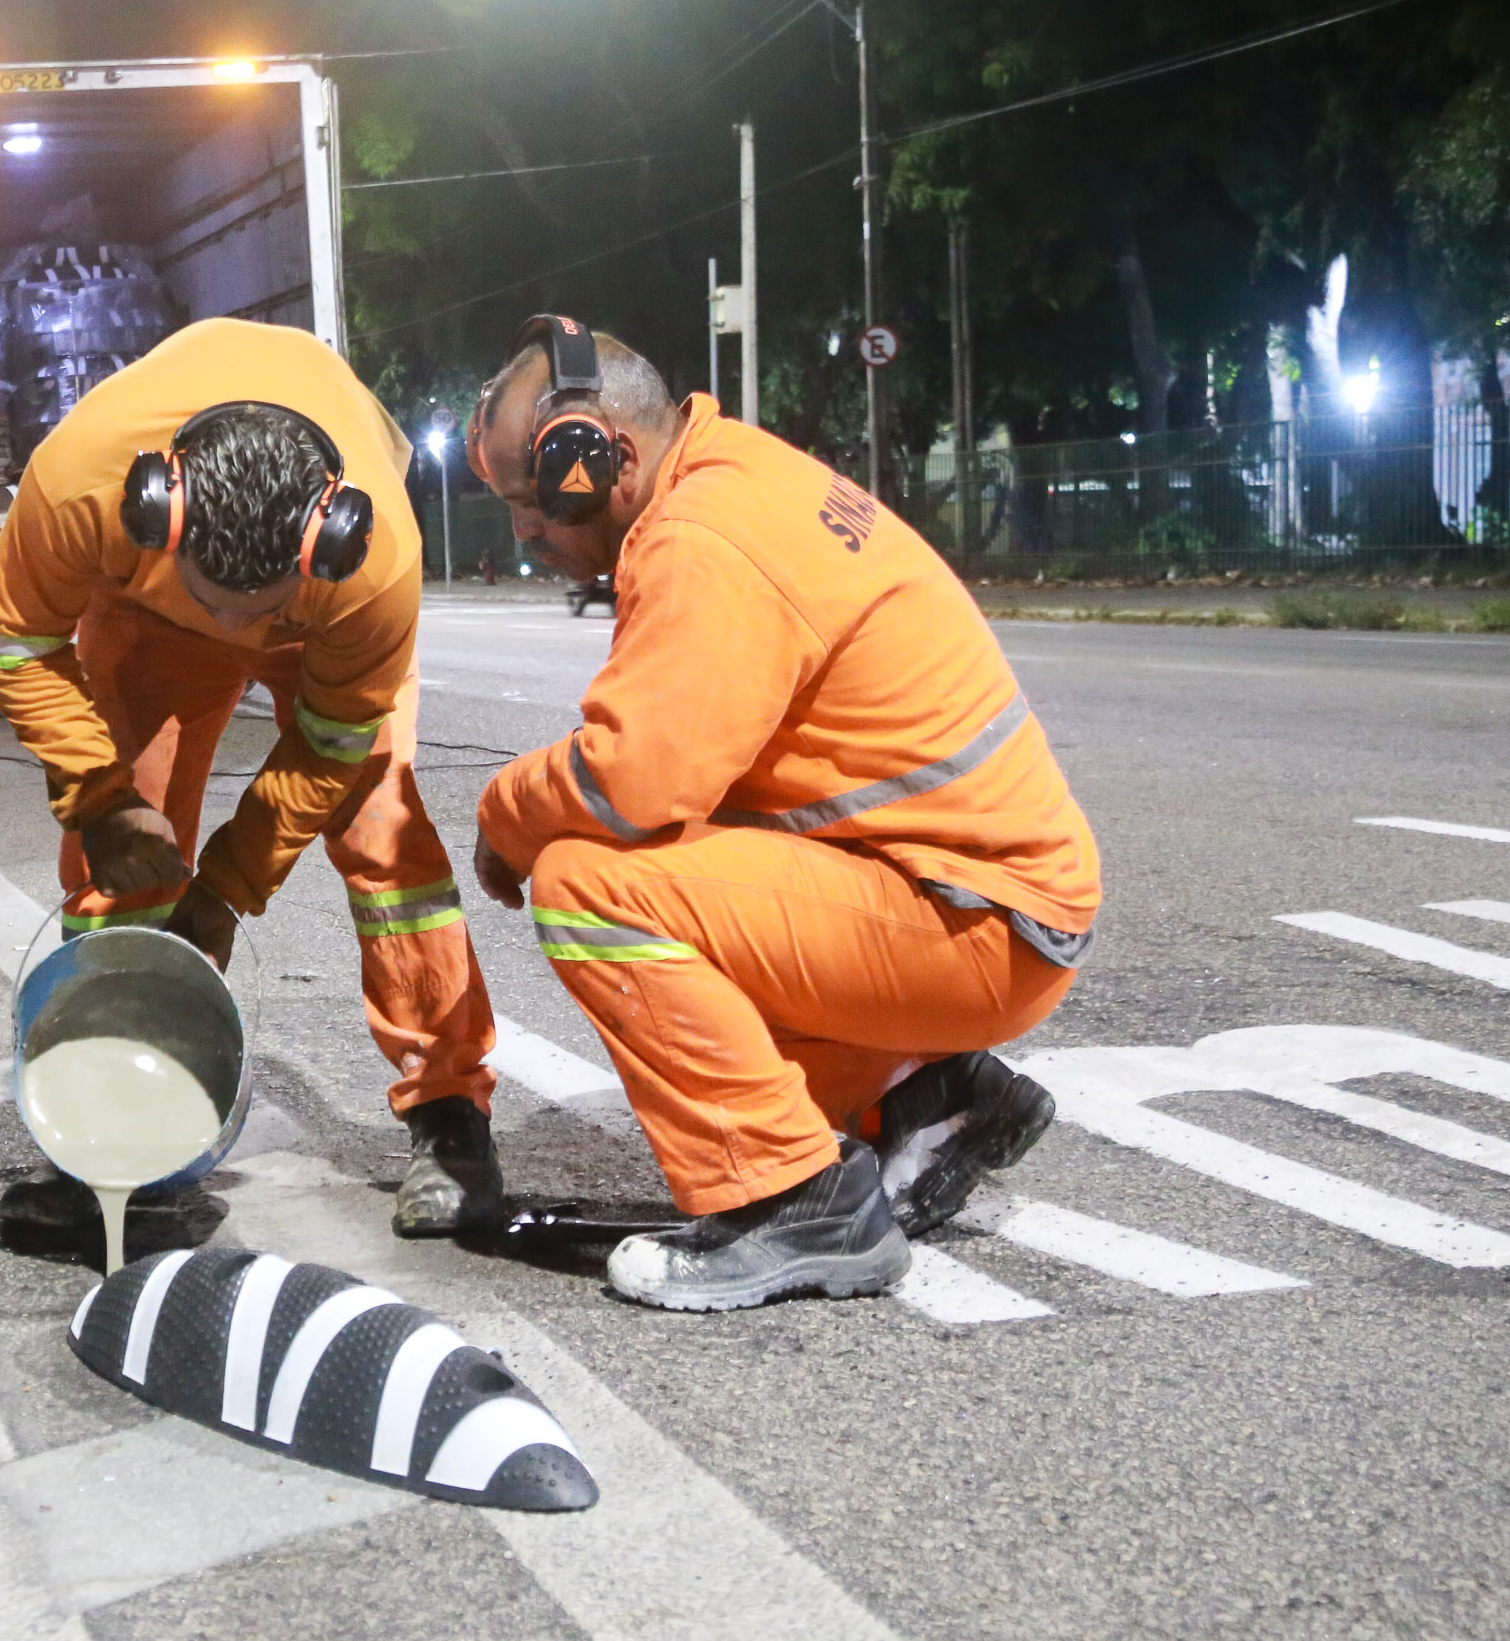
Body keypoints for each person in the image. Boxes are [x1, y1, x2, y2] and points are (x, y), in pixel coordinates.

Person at [465, 316, 1099, 1312]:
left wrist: (506, 816)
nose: (525, 531)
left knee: (591, 884)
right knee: (681, 870)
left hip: (972, 919)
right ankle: (923, 1093)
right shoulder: (730, 475)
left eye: (528, 499)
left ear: (597, 459)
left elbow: (633, 777)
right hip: (972, 897)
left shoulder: (704, 536)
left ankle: (795, 1199)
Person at [0, 317, 503, 1240]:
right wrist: (99, 796)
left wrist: (228, 887)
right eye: (213, 599)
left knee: (386, 836)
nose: (234, 627)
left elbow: (334, 744)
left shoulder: (372, 572)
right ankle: (113, 1126)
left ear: (325, 544)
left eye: (254, 611)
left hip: (323, 635)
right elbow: (21, 637)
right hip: (144, 616)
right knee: (118, 868)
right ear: (157, 511)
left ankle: (449, 1116)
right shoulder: (80, 485)